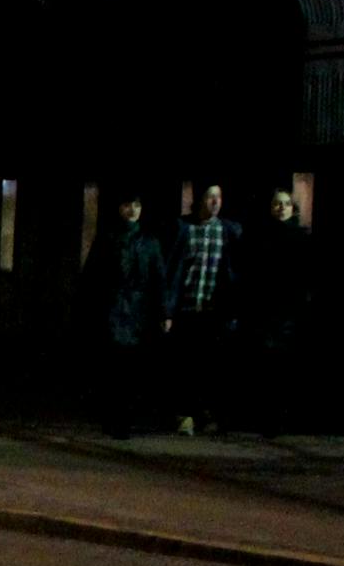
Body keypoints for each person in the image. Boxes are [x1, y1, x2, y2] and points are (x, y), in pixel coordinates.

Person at [81, 193, 170, 435]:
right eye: (128, 205)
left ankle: (125, 418)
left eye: (137, 205)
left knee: (131, 369)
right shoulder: (109, 238)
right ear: (120, 208)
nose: (133, 210)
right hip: (112, 309)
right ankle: (112, 417)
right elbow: (92, 275)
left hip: (138, 313)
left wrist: (164, 311)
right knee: (113, 367)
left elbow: (159, 278)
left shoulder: (150, 241)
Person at [164, 182, 240, 435]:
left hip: (213, 311)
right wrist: (168, 310)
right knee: (184, 364)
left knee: (210, 365)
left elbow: (232, 273)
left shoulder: (229, 231)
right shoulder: (184, 228)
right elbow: (173, 269)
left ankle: (206, 413)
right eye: (210, 197)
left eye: (219, 197)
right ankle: (183, 415)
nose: (215, 202)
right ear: (200, 201)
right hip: (186, 308)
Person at [233, 187, 310, 435]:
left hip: (289, 311)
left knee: (284, 366)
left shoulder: (301, 238)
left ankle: (282, 418)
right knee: (266, 364)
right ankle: (266, 419)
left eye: (286, 204)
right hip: (265, 310)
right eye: (278, 203)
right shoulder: (259, 237)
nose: (282, 208)